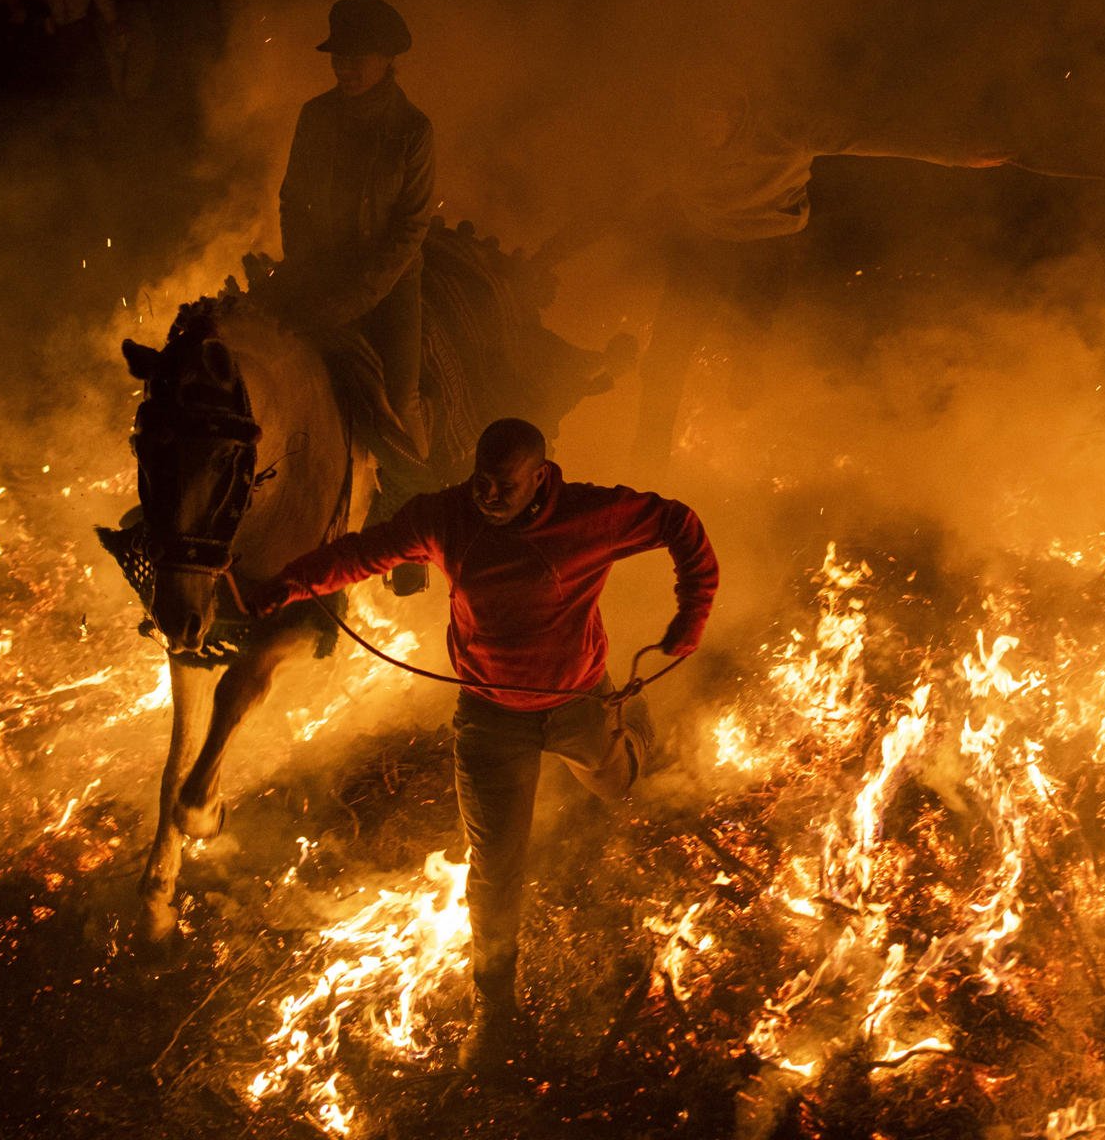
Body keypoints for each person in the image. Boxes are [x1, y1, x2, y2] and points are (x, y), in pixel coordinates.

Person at [244, 418, 718, 1072]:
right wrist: (287, 585)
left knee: (618, 784)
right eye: (481, 479)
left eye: (504, 484)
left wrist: (689, 622)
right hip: (492, 721)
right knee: (495, 870)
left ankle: (633, 727)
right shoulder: (447, 518)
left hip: (579, 702)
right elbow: (365, 551)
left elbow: (681, 526)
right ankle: (493, 1011)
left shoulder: (592, 513)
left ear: (540, 477)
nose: (488, 494)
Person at [630, 83, 1011, 472]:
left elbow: (870, 134)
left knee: (753, 322)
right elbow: (627, 188)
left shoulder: (783, 129)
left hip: (768, 240)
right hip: (704, 244)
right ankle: (648, 460)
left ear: (735, 115)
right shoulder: (674, 146)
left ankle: (748, 363)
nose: (702, 133)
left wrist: (952, 151)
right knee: (665, 355)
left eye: (710, 121)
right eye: (693, 121)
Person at [268, 0, 433, 482]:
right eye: (338, 58)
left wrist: (356, 298)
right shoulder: (315, 116)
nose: (343, 68)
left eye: (355, 58)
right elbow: (293, 200)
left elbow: (411, 227)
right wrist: (302, 270)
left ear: (386, 61)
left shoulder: (413, 131)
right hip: (319, 270)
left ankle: (417, 505)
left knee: (400, 402)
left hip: (390, 285)